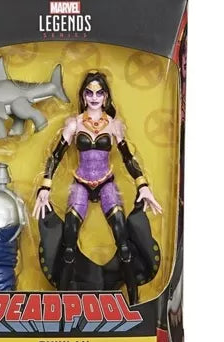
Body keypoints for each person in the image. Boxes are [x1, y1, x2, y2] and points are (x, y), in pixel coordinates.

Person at [32, 71, 162, 304]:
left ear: (106, 97)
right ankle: (62, 303)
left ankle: (134, 302)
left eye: (99, 93)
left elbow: (128, 157)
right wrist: (45, 186)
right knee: (69, 245)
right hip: (81, 182)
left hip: (106, 183)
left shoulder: (113, 125)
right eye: (89, 93)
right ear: (83, 95)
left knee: (123, 243)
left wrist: (142, 185)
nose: (94, 97)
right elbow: (56, 155)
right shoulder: (74, 123)